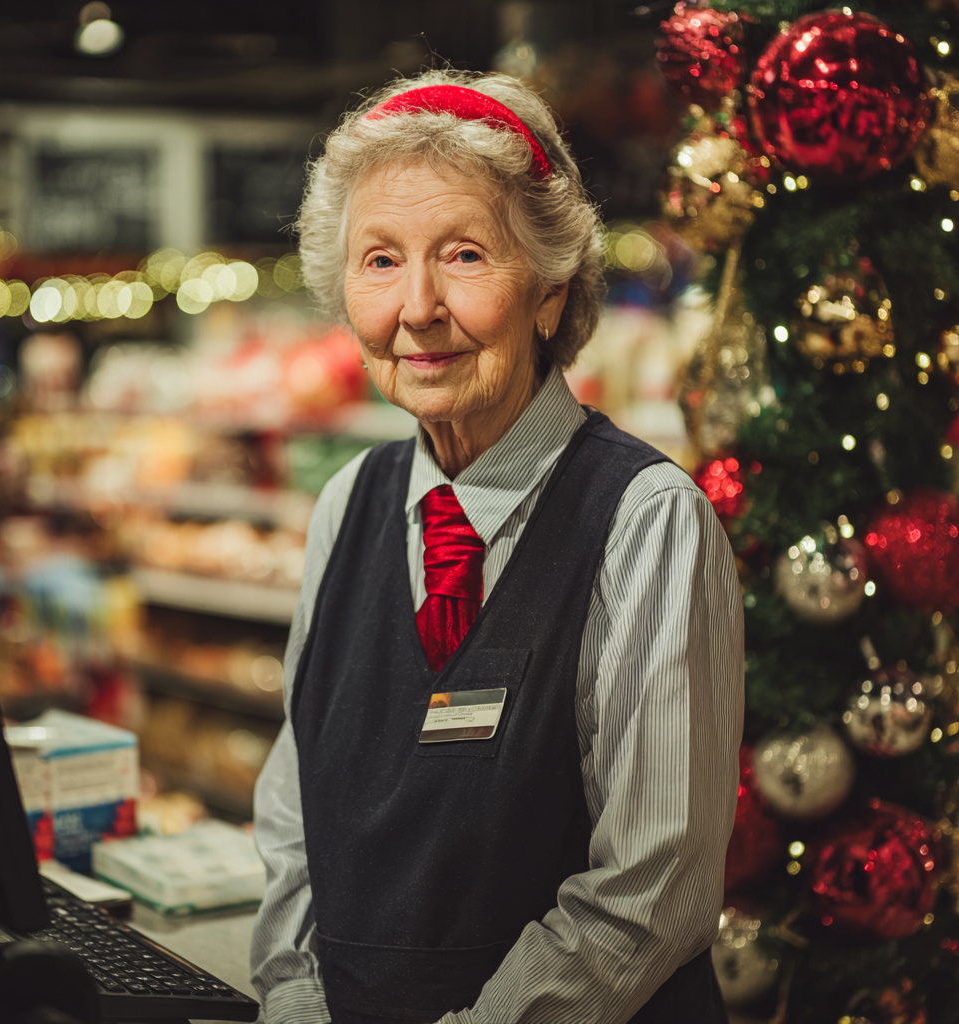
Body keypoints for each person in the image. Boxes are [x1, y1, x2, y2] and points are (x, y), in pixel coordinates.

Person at [250, 69, 744, 1024]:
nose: (418, 308)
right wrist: (298, 1003)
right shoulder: (348, 503)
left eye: (466, 255)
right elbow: (295, 820)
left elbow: (654, 890)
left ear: (551, 293)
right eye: (380, 260)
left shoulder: (647, 519)